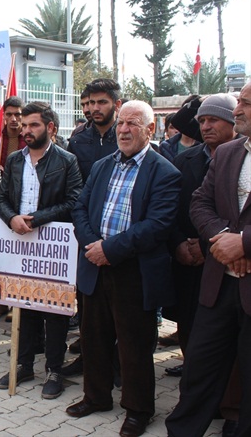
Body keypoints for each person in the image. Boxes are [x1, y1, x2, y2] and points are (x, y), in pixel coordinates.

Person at [66, 100, 181, 436]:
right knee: (93, 339)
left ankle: (138, 409)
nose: (125, 130)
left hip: (134, 271)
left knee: (134, 345)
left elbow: (157, 225)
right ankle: (96, 397)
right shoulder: (103, 166)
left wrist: (110, 250)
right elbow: (80, 209)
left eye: (133, 123)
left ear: (150, 130)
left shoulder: (165, 172)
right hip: (94, 265)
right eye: (121, 124)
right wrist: (93, 246)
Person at [166, 82, 251, 437]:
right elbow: (199, 202)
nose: (238, 110)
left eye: (246, 103)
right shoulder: (229, 152)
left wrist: (245, 243)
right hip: (219, 284)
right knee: (200, 366)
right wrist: (223, 240)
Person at [0, 102, 82, 398]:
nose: (25, 129)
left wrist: (37, 219)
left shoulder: (66, 161)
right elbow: (1, 197)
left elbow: (74, 200)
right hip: (21, 243)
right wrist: (11, 218)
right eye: (23, 124)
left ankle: (54, 370)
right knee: (24, 305)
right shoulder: (15, 160)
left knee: (55, 311)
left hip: (52, 246)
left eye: (33, 125)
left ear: (51, 128)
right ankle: (24, 364)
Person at [164, 93, 238, 377]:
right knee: (188, 320)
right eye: (202, 120)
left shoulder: (243, 162)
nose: (206, 126)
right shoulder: (185, 161)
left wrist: (208, 247)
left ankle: (226, 399)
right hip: (186, 259)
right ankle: (192, 371)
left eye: (214, 120)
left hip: (227, 260)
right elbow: (171, 209)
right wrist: (179, 244)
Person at [63, 78, 122, 378]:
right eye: (90, 103)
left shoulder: (126, 137)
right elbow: (74, 190)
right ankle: (88, 356)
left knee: (120, 305)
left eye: (101, 102)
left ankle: (120, 363)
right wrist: (84, 232)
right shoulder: (79, 140)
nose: (95, 108)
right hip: (85, 233)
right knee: (87, 301)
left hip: (120, 237)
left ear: (117, 104)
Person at [0, 96, 26, 168]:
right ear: (3, 115)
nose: (13, 119)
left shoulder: (29, 138)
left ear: (23, 115)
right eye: (9, 114)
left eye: (17, 115)